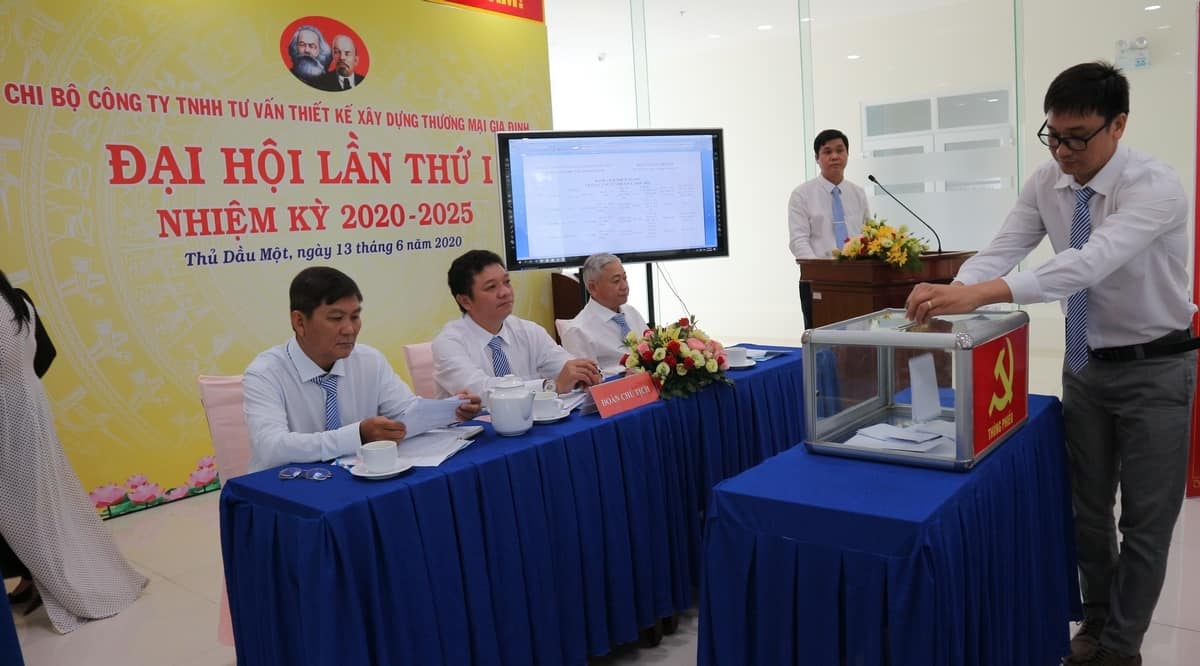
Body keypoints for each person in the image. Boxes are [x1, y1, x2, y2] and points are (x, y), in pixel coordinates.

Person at [904, 62, 1195, 666]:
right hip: (1085, 364)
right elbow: (1005, 247)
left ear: (1118, 125)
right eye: (1053, 136)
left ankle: (1121, 648)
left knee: (1145, 522)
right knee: (1087, 512)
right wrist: (952, 291)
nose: (1062, 151)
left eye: (1077, 138)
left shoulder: (1154, 187)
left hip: (1155, 370)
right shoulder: (1047, 181)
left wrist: (981, 296)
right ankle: (1095, 622)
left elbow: (1090, 262)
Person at [0, 269, 148, 632]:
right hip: (30, 406)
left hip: (6, 414)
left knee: (18, 509)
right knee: (39, 501)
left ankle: (51, 579)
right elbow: (46, 353)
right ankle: (36, 578)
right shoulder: (18, 301)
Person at [243, 267, 481, 473]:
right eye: (336, 318)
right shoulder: (265, 373)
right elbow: (272, 448)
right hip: (288, 489)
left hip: (358, 480)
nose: (349, 329)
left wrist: (452, 411)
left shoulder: (368, 360)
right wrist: (357, 435)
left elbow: (406, 413)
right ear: (299, 322)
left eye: (355, 317)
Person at [432, 249, 602, 398]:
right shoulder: (449, 343)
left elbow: (564, 365)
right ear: (465, 301)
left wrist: (583, 375)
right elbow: (481, 390)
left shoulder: (529, 331)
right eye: (491, 287)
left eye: (507, 282)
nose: (505, 292)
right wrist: (551, 387)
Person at [788, 128, 871, 328]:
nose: (834, 156)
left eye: (839, 150)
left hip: (856, 280)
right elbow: (799, 240)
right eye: (827, 151)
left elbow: (867, 235)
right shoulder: (802, 194)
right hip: (817, 282)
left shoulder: (858, 193)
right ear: (817, 158)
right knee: (822, 339)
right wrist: (821, 273)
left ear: (847, 154)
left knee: (858, 337)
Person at [560, 253, 648, 375]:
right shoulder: (578, 331)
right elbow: (589, 379)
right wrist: (623, 374)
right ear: (593, 287)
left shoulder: (631, 312)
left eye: (625, 278)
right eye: (616, 281)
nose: (624, 286)